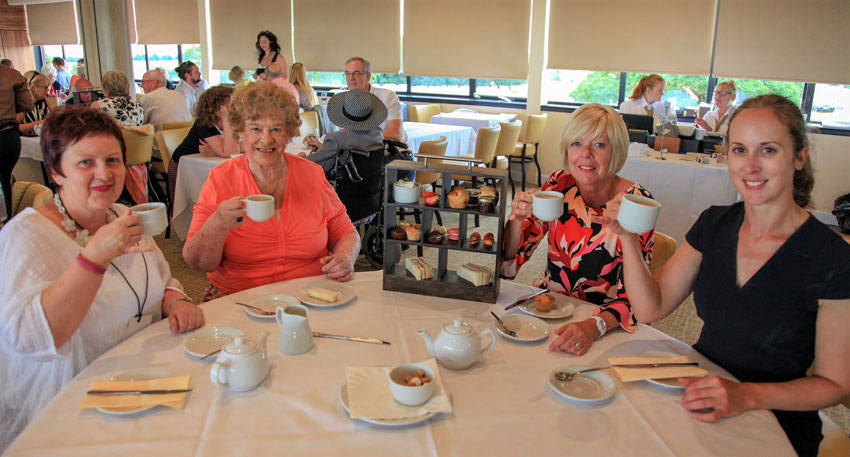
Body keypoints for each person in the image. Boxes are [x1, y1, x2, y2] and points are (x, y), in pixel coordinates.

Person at [601, 94, 850, 457]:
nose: (750, 167)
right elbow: (652, 307)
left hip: (775, 423)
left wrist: (746, 394)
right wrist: (627, 239)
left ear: (799, 156)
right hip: (701, 396)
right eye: (739, 149)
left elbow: (836, 385)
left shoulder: (833, 258)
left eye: (767, 150)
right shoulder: (715, 223)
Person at [0, 106, 204, 451]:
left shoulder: (122, 214)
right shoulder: (26, 234)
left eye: (112, 160)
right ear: (55, 171)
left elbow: (162, 277)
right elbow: (28, 338)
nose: (104, 174)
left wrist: (175, 298)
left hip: (141, 384)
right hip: (69, 403)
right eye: (85, 162)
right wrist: (93, 258)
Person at [183, 82, 359, 301]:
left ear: (289, 134)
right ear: (241, 134)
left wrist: (344, 257)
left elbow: (346, 232)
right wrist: (217, 223)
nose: (266, 139)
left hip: (311, 295)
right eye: (255, 128)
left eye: (276, 129)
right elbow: (197, 262)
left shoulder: (311, 174)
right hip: (241, 298)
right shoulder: (221, 179)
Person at [502, 103, 655, 355]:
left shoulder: (635, 203)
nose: (585, 153)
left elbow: (637, 300)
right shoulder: (560, 184)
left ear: (616, 151)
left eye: (599, 144)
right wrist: (517, 220)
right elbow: (508, 265)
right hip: (552, 310)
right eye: (576, 144)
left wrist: (594, 326)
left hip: (605, 324)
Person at [169, 86, 237, 202]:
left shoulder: (230, 123)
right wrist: (226, 118)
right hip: (182, 166)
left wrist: (215, 151)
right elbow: (230, 152)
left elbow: (242, 146)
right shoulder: (204, 123)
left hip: (201, 165)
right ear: (216, 107)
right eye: (228, 105)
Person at [306, 89, 384, 172]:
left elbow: (311, 163)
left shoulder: (336, 139)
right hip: (372, 183)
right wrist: (324, 147)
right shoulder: (378, 133)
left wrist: (300, 157)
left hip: (341, 184)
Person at [344, 56, 406, 143]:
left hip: (391, 152)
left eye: (356, 73)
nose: (350, 78)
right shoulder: (343, 101)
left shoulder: (388, 96)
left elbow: (396, 134)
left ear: (368, 76)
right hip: (361, 153)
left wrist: (362, 136)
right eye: (347, 74)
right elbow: (344, 135)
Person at [0, 62, 32, 216]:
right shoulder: (12, 75)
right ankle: (7, 222)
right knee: (4, 180)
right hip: (8, 137)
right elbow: (26, 105)